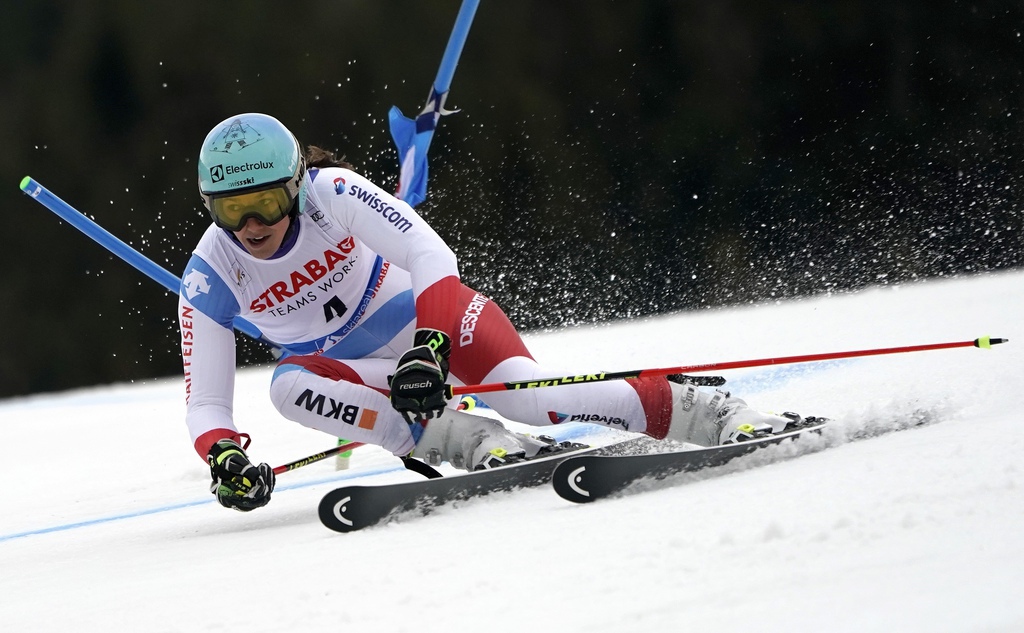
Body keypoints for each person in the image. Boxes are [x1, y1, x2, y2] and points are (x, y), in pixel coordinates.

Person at [180, 113, 799, 512]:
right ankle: (474, 442)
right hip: (364, 370)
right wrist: (224, 457)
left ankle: (708, 411)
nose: (251, 226)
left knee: (527, 397)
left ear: (293, 184)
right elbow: (206, 402)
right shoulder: (211, 273)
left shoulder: (330, 192)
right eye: (230, 210)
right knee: (289, 387)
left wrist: (431, 346)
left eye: (263, 202)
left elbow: (430, 252)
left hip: (433, 326)